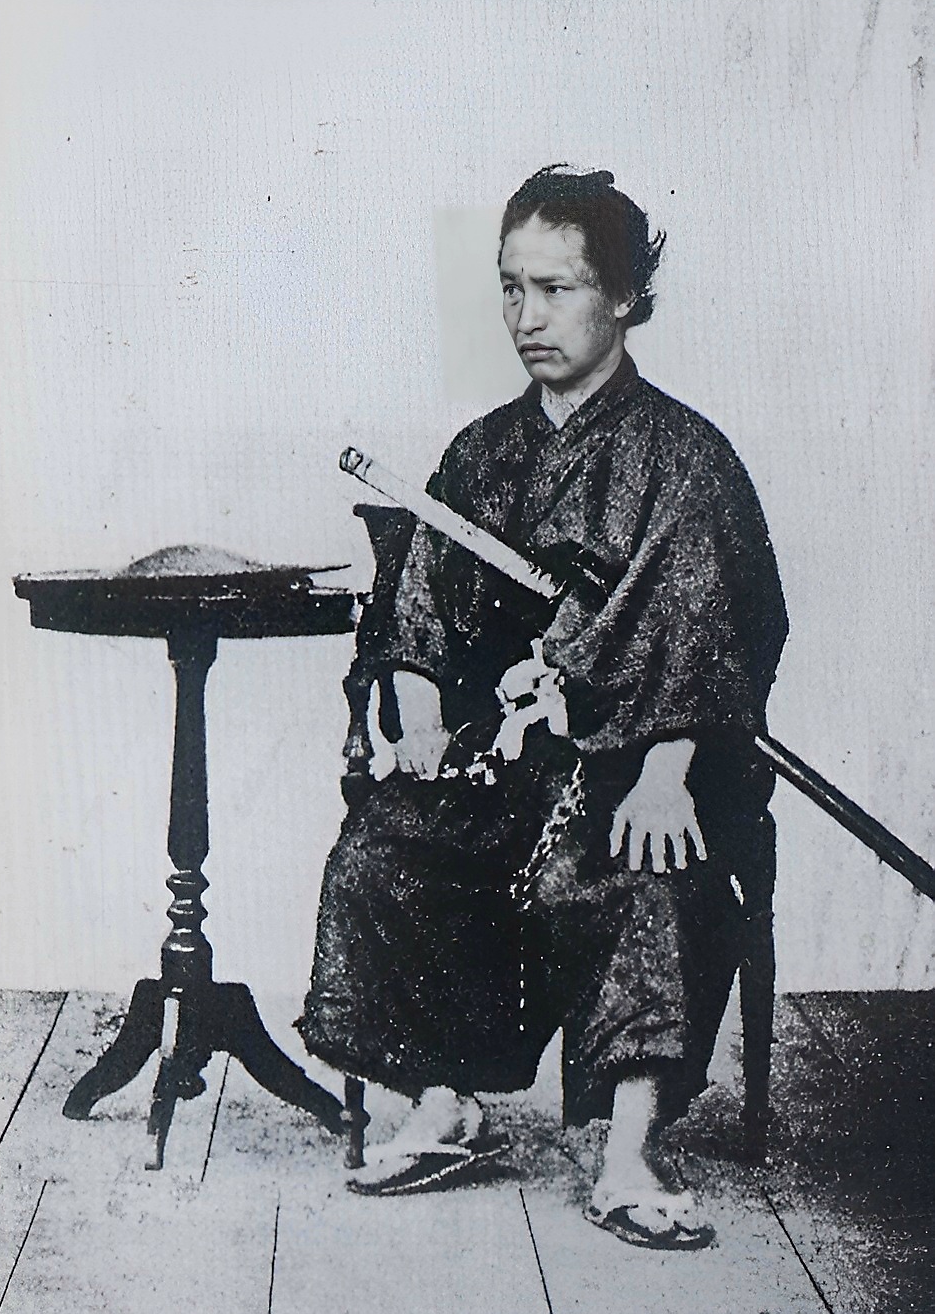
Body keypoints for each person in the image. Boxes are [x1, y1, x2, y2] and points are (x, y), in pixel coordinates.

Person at [299, 165, 788, 1250]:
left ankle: (629, 1152)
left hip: (646, 759)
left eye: (557, 289)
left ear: (622, 295)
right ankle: (446, 1103)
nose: (528, 317)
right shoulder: (481, 452)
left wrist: (663, 772)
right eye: (512, 289)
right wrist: (418, 707)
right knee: (386, 849)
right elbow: (418, 610)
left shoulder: (685, 461)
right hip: (509, 753)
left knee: (639, 868)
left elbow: (711, 640)